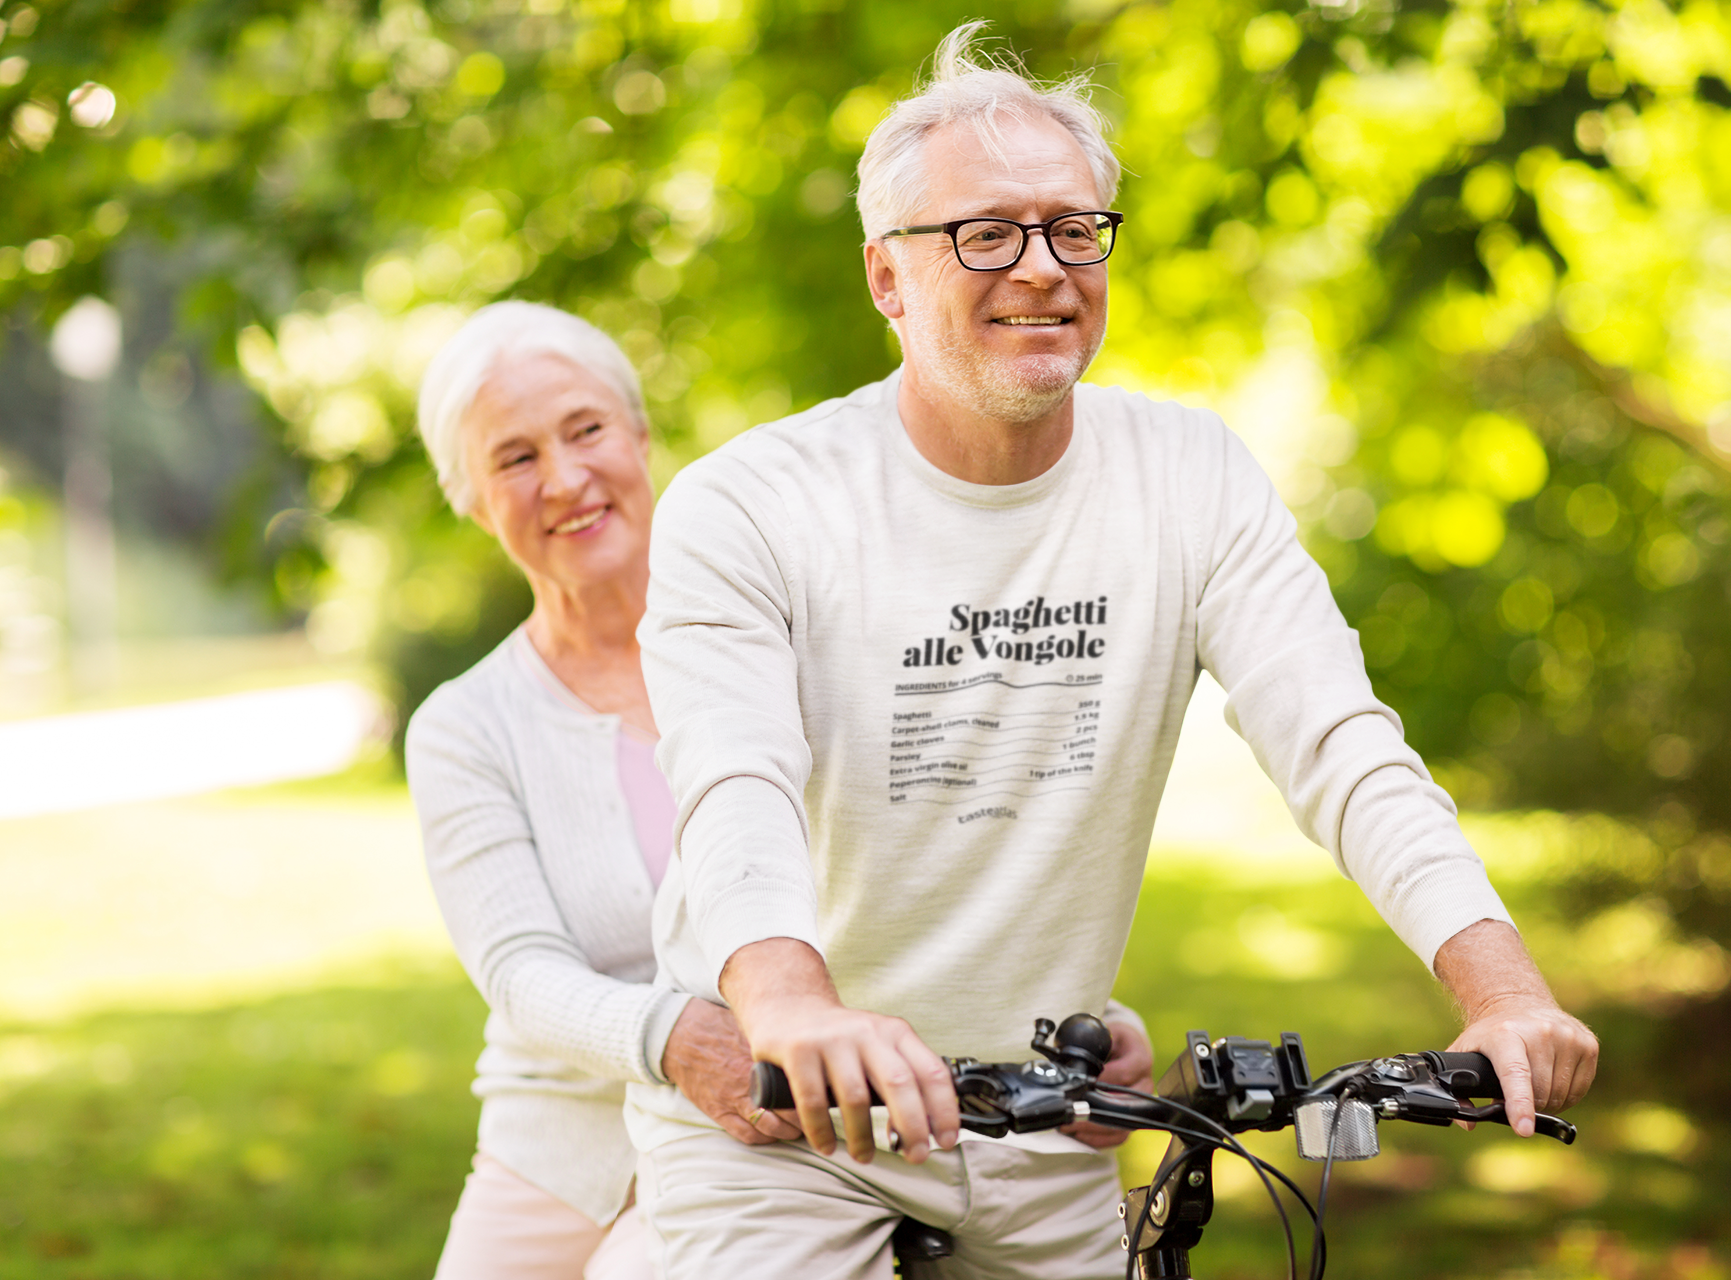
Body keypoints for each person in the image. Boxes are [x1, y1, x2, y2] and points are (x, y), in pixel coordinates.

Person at [631, 24, 1600, 1279]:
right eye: (985, 232)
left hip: (1045, 1115)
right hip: (790, 1120)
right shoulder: (752, 503)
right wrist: (790, 1008)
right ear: (887, 278)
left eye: (1073, 228)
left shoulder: (1189, 477)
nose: (1040, 267)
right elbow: (732, 784)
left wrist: (1506, 991)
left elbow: (1341, 744)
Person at [403, 301, 803, 1280]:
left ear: (638, 432)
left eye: (586, 429)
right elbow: (521, 971)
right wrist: (670, 1036)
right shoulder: (464, 724)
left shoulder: (781, 633)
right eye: (515, 456)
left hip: (775, 1109)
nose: (567, 477)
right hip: (561, 1136)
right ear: (469, 497)